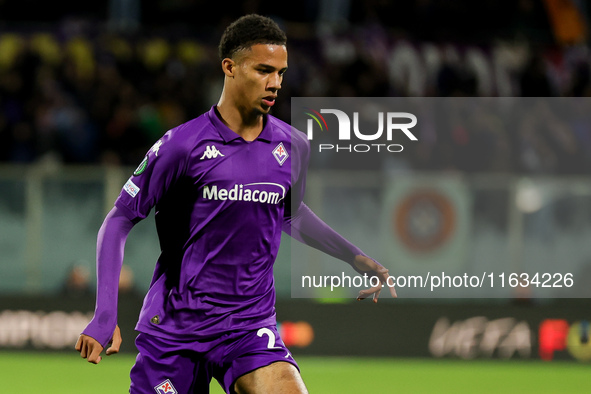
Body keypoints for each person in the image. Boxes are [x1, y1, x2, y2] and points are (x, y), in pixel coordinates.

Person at [75, 14, 396, 394]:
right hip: (177, 328)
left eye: (281, 72)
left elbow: (290, 213)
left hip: (249, 326)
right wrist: (105, 313)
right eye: (263, 70)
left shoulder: (293, 147)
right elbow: (118, 221)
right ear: (229, 67)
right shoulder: (182, 145)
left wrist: (355, 258)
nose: (275, 83)